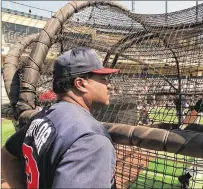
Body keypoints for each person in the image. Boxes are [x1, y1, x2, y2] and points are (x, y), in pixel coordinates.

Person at [1, 48, 120, 188]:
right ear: (80, 84)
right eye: (103, 79)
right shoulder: (91, 140)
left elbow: (6, 154)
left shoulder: (43, 116)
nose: (109, 85)